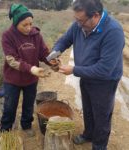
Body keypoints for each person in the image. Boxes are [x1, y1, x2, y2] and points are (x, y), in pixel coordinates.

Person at [46, 0, 125, 149]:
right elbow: (65, 40)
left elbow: (104, 69)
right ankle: (88, 134)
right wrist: (55, 54)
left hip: (105, 82)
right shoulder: (79, 24)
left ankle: (99, 146)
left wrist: (74, 70)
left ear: (95, 16)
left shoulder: (113, 31)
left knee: (101, 115)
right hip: (86, 75)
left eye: (81, 21)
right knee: (88, 109)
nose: (78, 24)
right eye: (76, 20)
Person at [0, 3, 57, 137]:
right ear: (15, 23)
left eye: (30, 23)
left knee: (28, 105)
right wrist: (31, 68)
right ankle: (6, 129)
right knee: (9, 106)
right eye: (24, 25)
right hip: (12, 80)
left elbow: (43, 53)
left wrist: (51, 61)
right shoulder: (7, 36)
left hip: (31, 79)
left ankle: (26, 125)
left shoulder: (35, 34)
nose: (28, 28)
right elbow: (12, 60)